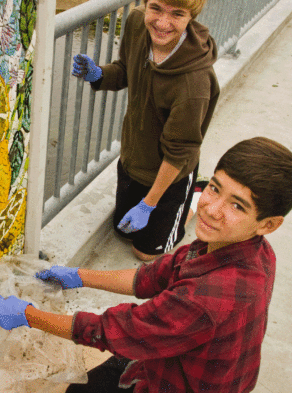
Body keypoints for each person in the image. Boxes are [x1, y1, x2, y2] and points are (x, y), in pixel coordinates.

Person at [0, 137, 292, 393]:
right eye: (214, 188)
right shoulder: (252, 251)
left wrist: (28, 315)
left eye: (237, 205)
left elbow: (113, 330)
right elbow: (152, 276)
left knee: (82, 392)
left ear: (268, 224)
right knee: (82, 392)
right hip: (181, 361)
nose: (212, 209)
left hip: (182, 391)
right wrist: (78, 276)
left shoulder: (206, 298)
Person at [72, 0, 220, 261]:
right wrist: (99, 75)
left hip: (171, 175)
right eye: (156, 8)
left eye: (177, 14)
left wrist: (149, 204)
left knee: (144, 254)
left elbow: (177, 155)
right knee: (123, 233)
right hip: (134, 158)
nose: (162, 23)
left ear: (192, 16)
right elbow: (126, 70)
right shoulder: (138, 23)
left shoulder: (194, 85)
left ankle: (192, 199)